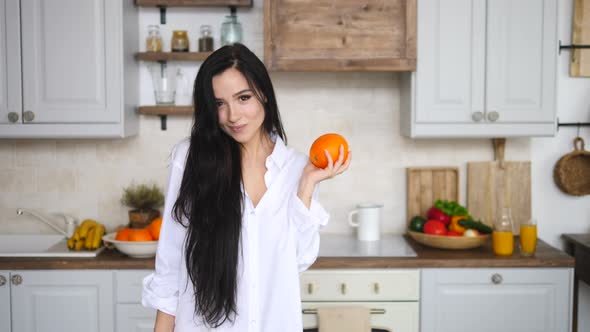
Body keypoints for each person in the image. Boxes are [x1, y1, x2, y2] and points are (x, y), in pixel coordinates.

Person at [142, 43, 351, 332]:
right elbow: (170, 266)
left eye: (243, 98)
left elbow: (299, 260)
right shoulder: (190, 159)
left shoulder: (298, 169)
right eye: (219, 104)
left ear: (263, 92)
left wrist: (306, 187)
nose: (232, 116)